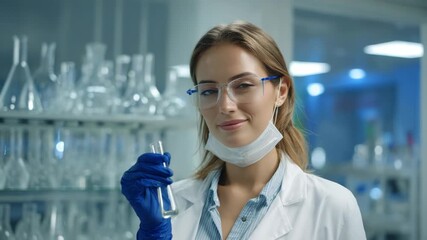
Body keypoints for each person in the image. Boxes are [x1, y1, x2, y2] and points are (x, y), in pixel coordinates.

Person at [121, 21, 366, 240]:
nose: (225, 105)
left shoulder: (333, 206)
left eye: (244, 85)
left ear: (281, 91)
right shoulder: (169, 203)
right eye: (208, 91)